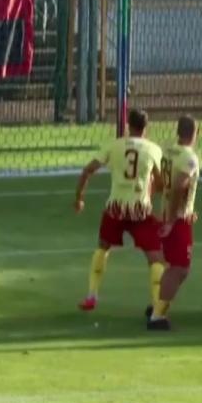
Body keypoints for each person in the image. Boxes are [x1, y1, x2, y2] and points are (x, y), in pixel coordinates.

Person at [75, 108, 166, 314]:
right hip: (139, 210)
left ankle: (91, 296)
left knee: (103, 248)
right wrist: (150, 187)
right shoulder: (153, 149)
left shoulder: (114, 146)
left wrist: (79, 198)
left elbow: (87, 170)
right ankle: (158, 307)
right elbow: (162, 184)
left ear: (128, 126)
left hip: (115, 208)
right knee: (155, 258)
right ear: (146, 127)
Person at [149, 115, 201, 332]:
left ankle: (158, 306)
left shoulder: (168, 153)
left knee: (175, 266)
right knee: (179, 268)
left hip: (171, 213)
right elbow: (180, 186)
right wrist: (173, 218)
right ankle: (157, 315)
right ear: (196, 133)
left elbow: (160, 184)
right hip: (177, 219)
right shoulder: (189, 157)